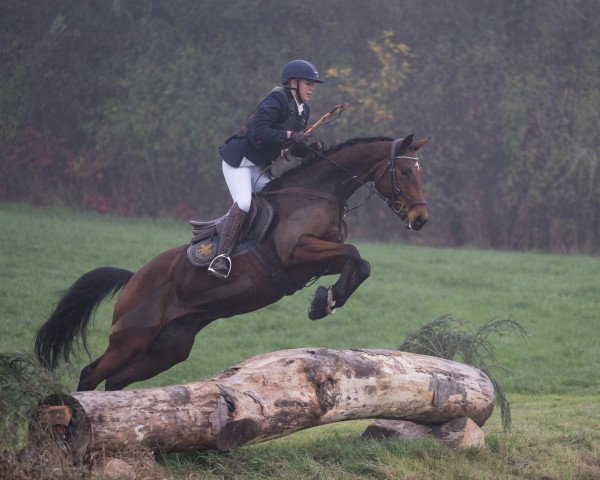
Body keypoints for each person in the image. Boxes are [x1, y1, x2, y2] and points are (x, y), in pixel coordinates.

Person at [208, 59, 324, 279]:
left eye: (313, 83)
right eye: (308, 83)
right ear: (293, 83)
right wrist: (290, 135)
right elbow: (258, 132)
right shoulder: (277, 99)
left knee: (277, 201)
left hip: (259, 166)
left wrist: (308, 148)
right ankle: (221, 257)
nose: (313, 87)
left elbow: (292, 147)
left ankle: (262, 252)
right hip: (240, 161)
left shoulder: (303, 110)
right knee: (243, 202)